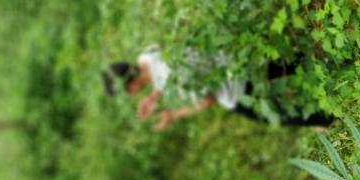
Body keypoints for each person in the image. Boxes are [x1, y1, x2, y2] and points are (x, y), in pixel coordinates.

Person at [102, 45, 333, 129]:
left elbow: (207, 100)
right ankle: (329, 55)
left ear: (131, 86)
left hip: (233, 88)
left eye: (128, 92)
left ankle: (326, 118)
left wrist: (173, 114)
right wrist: (154, 96)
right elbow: (162, 74)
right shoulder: (147, 55)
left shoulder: (169, 78)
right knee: (282, 65)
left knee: (276, 116)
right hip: (232, 55)